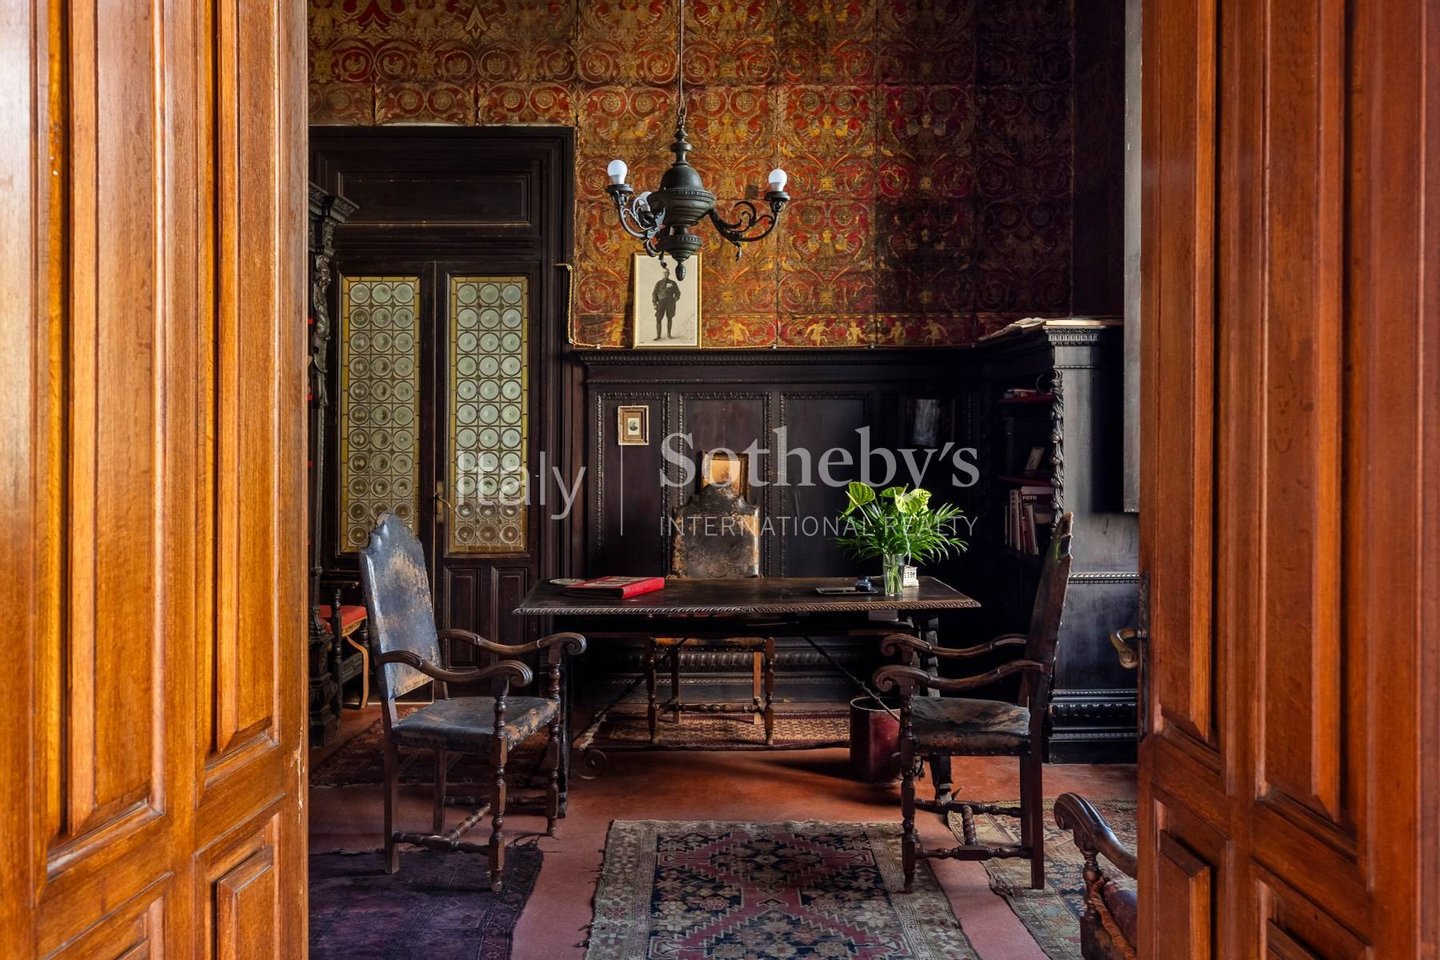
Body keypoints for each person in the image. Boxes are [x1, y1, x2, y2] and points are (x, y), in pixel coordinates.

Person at [652, 261, 682, 340]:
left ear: (669, 274)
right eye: (664, 273)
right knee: (658, 318)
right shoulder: (658, 283)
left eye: (667, 273)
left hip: (670, 302)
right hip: (661, 302)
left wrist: (675, 299)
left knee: (669, 317)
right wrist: (655, 303)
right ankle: (658, 336)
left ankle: (669, 334)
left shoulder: (673, 283)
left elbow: (677, 292)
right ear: (662, 274)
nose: (666, 274)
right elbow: (654, 293)